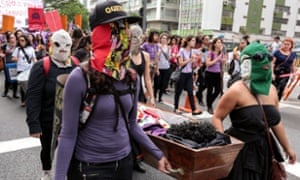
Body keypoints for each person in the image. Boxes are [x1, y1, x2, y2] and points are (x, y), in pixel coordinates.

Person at [55, 1, 171, 179]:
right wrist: (59, 176)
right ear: (97, 35)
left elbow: (132, 124)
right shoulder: (79, 78)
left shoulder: (131, 77)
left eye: (124, 27)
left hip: (124, 164)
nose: (123, 35)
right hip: (90, 167)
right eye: (113, 29)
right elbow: (68, 134)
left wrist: (158, 154)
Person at [212, 42, 296, 179]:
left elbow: (276, 122)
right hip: (241, 150)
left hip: (264, 149)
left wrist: (287, 148)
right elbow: (217, 117)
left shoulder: (272, 90)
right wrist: (223, 146)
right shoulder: (236, 91)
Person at [25, 29, 77, 180]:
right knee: (48, 149)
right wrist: (34, 124)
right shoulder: (42, 66)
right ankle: (46, 172)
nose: (62, 49)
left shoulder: (75, 64)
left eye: (67, 45)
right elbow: (33, 97)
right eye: (58, 44)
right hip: (49, 120)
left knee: (73, 151)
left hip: (72, 120)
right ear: (51, 45)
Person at [173, 35, 202, 115]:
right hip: (182, 74)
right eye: (192, 40)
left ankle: (193, 109)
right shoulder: (182, 51)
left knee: (190, 91)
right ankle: (176, 108)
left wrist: (195, 63)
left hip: (189, 74)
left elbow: (194, 62)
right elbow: (181, 63)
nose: (194, 42)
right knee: (178, 92)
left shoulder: (193, 51)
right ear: (188, 41)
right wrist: (190, 59)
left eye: (194, 41)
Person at [129, 24, 155, 105]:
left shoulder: (145, 56)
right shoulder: (124, 55)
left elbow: (147, 79)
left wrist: (152, 97)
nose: (137, 40)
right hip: (125, 92)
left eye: (138, 37)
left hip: (139, 91)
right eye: (134, 37)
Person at [11, 34, 37, 106]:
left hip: (30, 68)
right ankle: (23, 100)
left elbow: (34, 58)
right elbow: (13, 58)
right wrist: (16, 58)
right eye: (19, 41)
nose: (21, 42)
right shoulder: (18, 49)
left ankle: (30, 99)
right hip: (21, 69)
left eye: (22, 40)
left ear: (26, 41)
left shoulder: (31, 48)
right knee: (23, 85)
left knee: (30, 85)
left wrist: (36, 64)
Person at [205, 37, 227, 114]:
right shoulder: (210, 53)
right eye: (218, 42)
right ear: (214, 44)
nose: (220, 44)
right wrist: (217, 59)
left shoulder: (222, 53)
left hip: (217, 73)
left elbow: (222, 64)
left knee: (218, 90)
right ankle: (209, 106)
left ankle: (209, 102)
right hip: (209, 73)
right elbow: (207, 64)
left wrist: (223, 61)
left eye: (221, 42)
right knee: (210, 90)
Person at [0, 32, 18, 98]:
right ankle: (5, 92)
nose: (13, 39)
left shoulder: (18, 45)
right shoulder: (5, 46)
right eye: (11, 38)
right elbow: (0, 52)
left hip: (16, 64)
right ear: (8, 39)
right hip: (7, 64)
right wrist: (1, 54)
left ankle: (15, 94)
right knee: (7, 78)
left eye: (14, 37)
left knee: (15, 79)